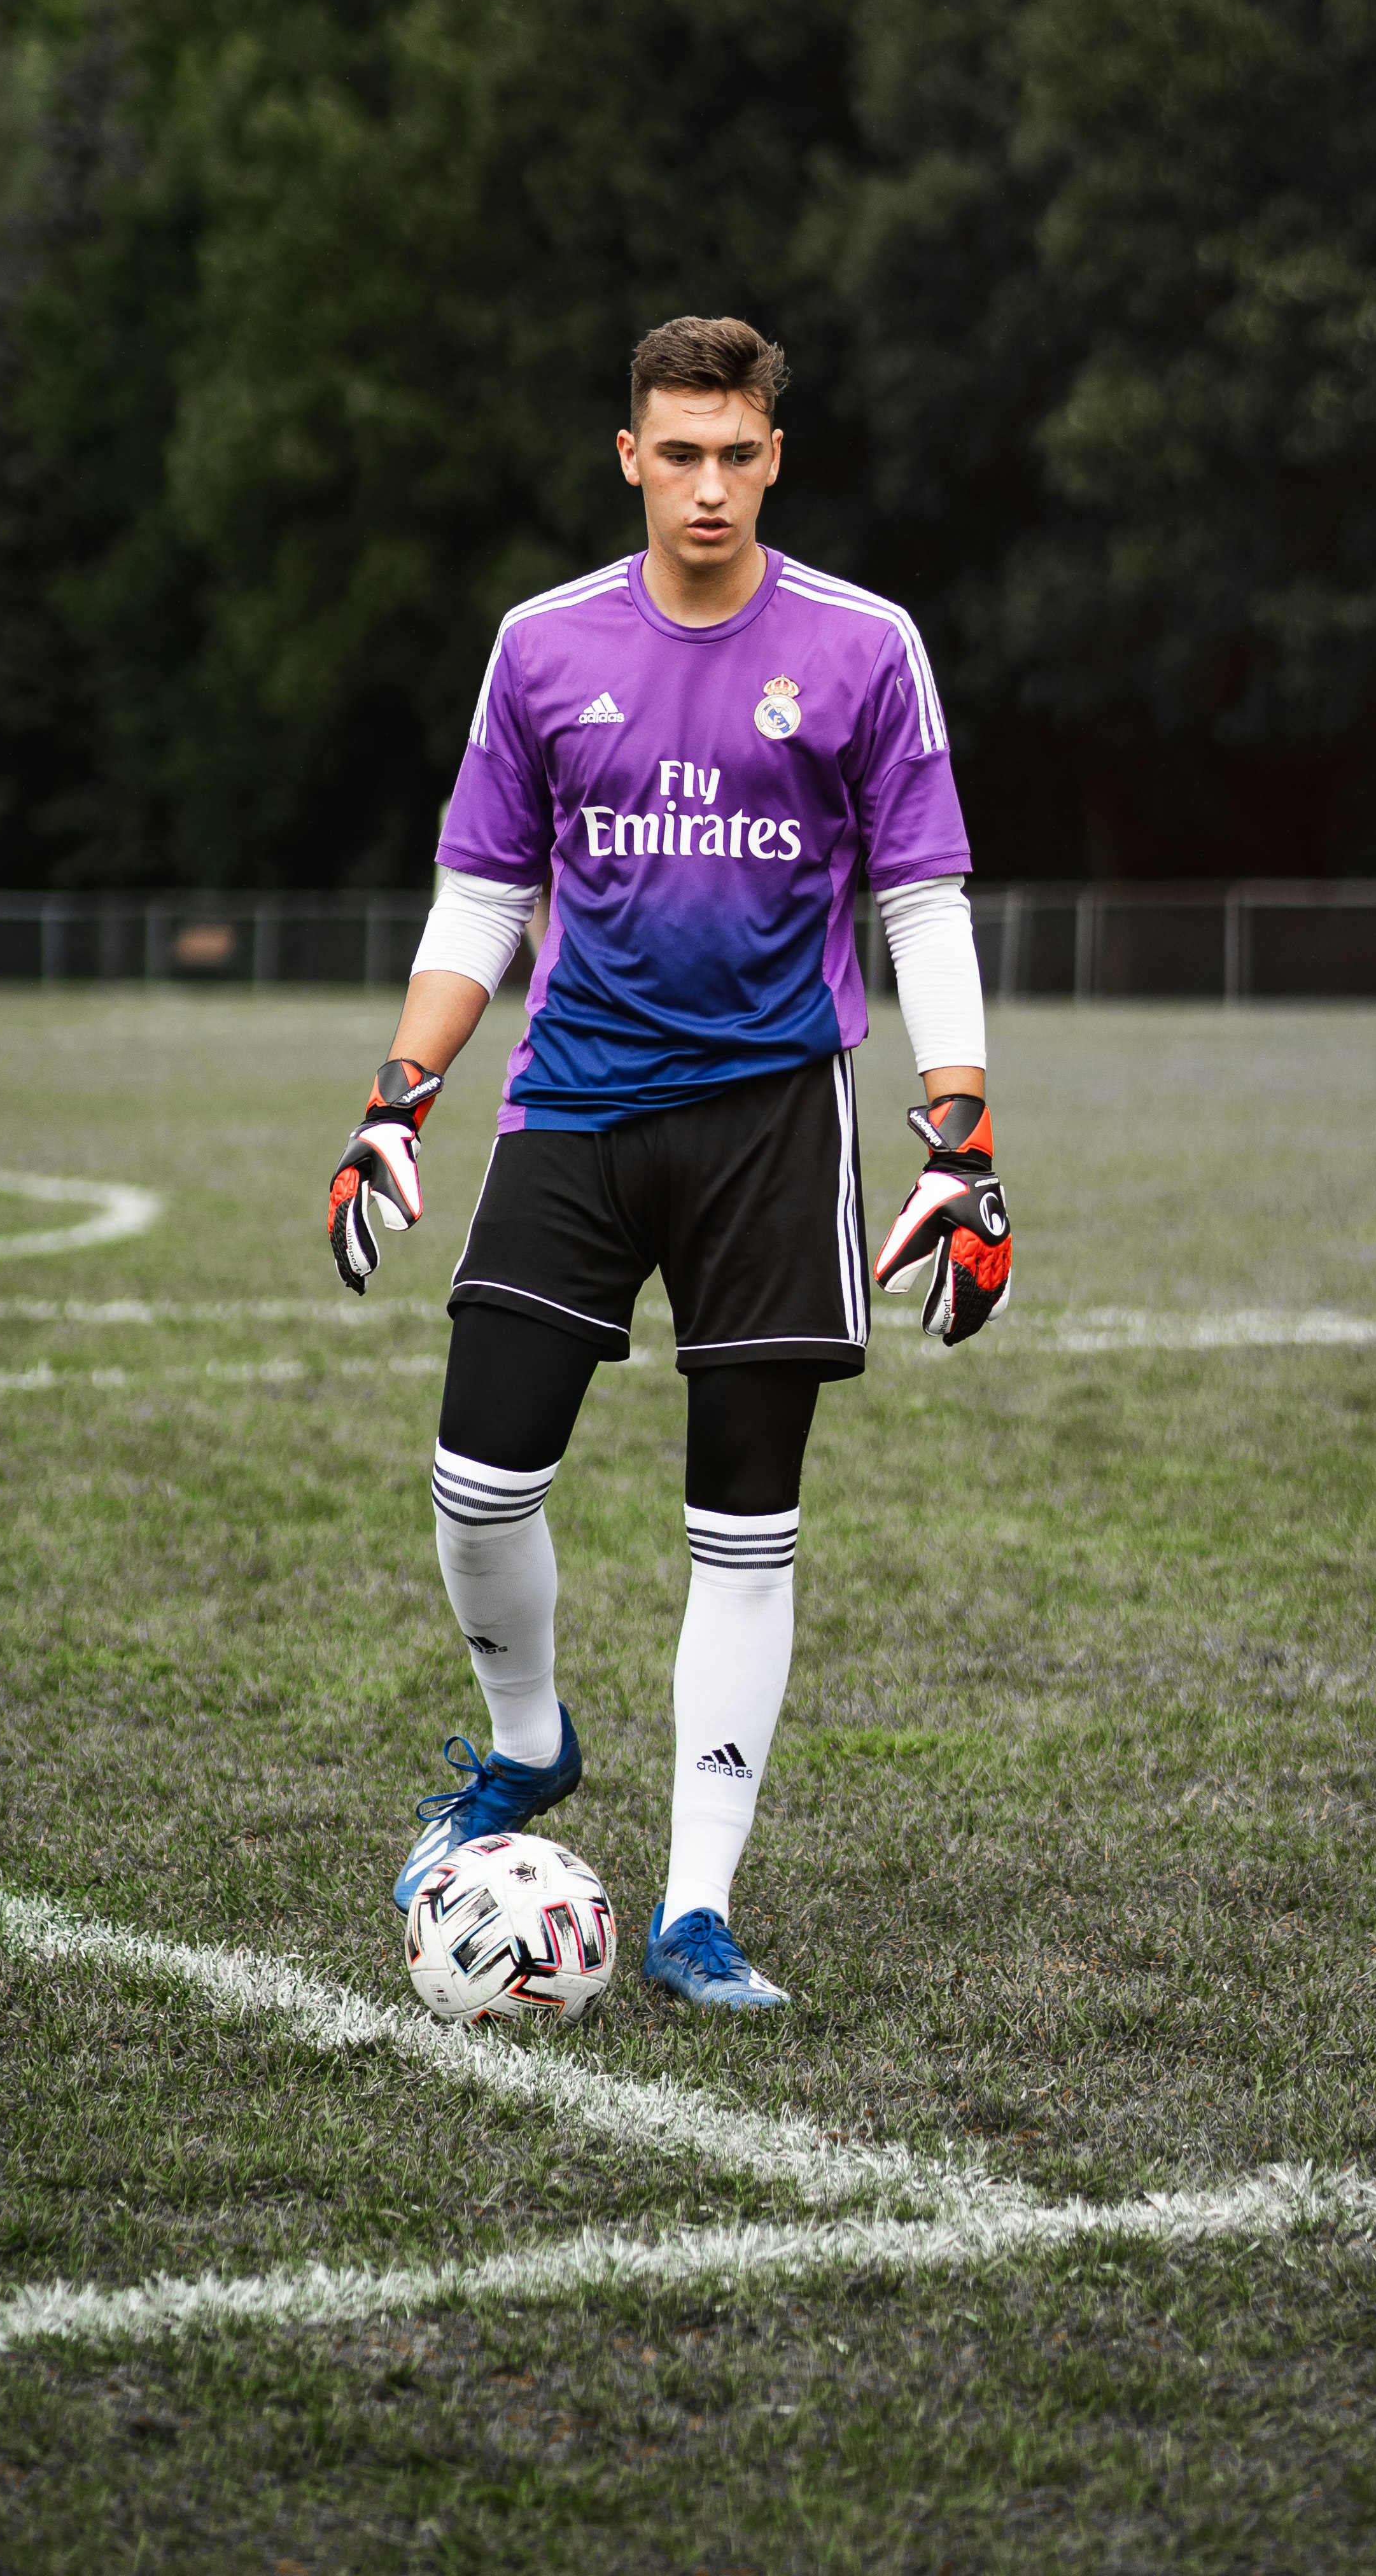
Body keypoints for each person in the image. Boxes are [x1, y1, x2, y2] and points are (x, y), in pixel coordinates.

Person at [325, 316, 1013, 2011]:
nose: (709, 486)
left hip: (777, 1122)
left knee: (744, 1526)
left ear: (777, 460)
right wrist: (398, 1097)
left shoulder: (865, 647)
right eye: (678, 453)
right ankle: (529, 1738)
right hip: (574, 1103)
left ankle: (698, 1912)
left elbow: (920, 899)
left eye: (740, 455)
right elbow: (485, 896)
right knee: (480, 1479)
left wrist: (963, 1131)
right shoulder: (541, 646)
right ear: (629, 456)